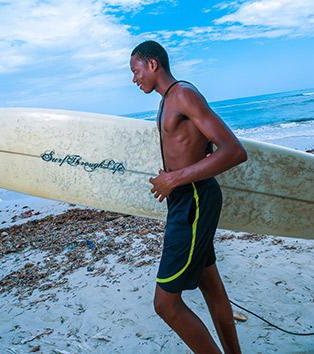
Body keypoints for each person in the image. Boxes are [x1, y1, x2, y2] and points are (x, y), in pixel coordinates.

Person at [130, 40, 247, 354]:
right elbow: (188, 148)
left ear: (152, 64)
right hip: (186, 200)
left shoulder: (182, 94)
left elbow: (234, 151)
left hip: (194, 200)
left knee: (165, 304)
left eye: (135, 70)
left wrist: (174, 178)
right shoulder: (168, 99)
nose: (134, 78)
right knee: (210, 285)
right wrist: (171, 174)